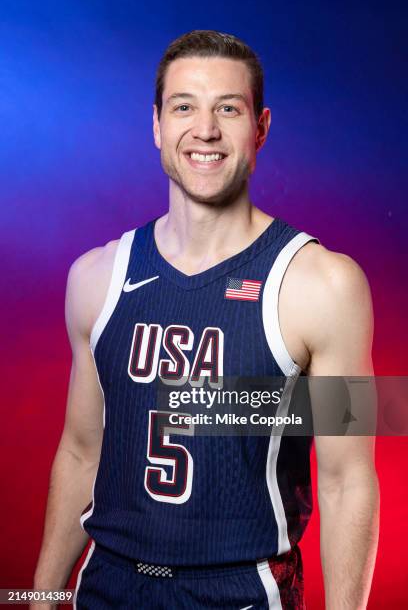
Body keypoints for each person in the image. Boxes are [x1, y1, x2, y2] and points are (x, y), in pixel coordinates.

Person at [33, 30, 379, 609]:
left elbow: (349, 481)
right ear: (157, 125)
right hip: (108, 587)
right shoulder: (95, 278)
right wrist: (37, 598)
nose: (206, 130)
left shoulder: (324, 284)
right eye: (184, 107)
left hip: (243, 591)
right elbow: (79, 451)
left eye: (228, 108)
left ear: (261, 127)